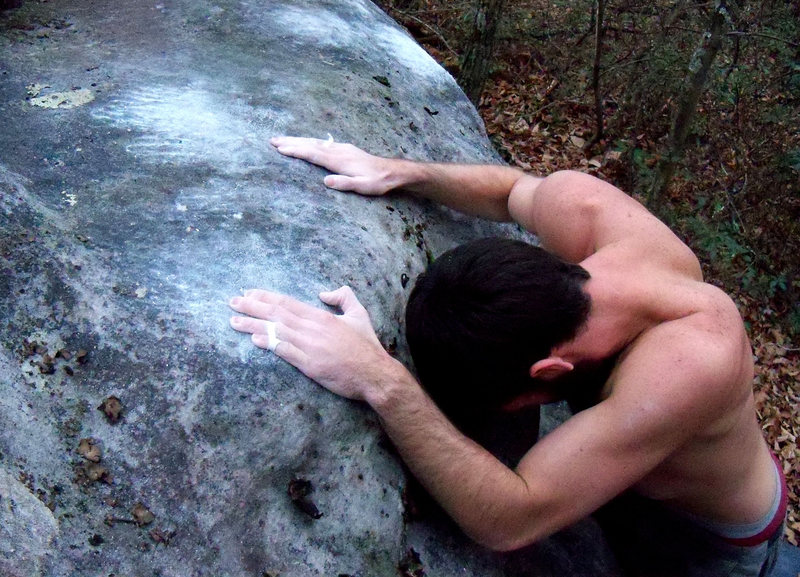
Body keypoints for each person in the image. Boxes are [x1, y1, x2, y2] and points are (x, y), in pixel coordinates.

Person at [228, 136, 787, 576]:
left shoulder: (692, 358)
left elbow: (511, 520)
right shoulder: (585, 211)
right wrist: (404, 171)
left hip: (701, 539)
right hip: (629, 463)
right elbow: (511, 190)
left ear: (549, 372)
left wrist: (380, 378)